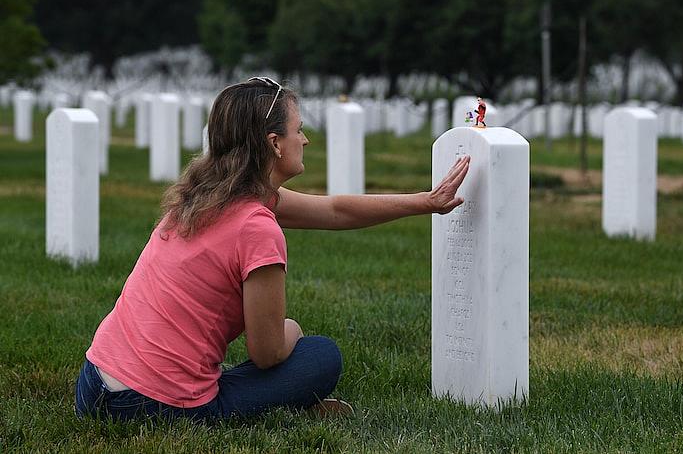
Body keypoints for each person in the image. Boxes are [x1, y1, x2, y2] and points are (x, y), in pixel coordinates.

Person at [75, 77, 471, 422]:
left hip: (94, 383)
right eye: (298, 129)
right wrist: (292, 331)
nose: (305, 139)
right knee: (321, 355)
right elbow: (266, 353)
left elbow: (334, 210)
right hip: (154, 405)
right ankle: (275, 401)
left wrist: (426, 202)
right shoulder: (256, 227)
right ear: (274, 143)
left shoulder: (206, 196)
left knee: (266, 365)